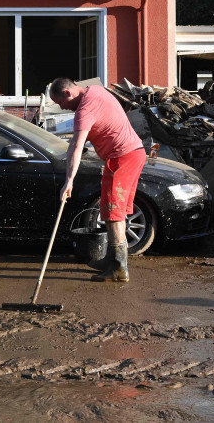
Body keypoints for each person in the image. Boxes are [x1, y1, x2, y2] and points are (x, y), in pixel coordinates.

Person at [50, 78, 147, 283]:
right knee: (117, 211)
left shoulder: (84, 110)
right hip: (134, 152)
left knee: (113, 213)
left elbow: (76, 146)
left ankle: (118, 268)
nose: (62, 108)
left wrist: (69, 180)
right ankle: (113, 260)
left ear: (68, 93)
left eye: (60, 103)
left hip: (121, 157)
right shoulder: (96, 90)